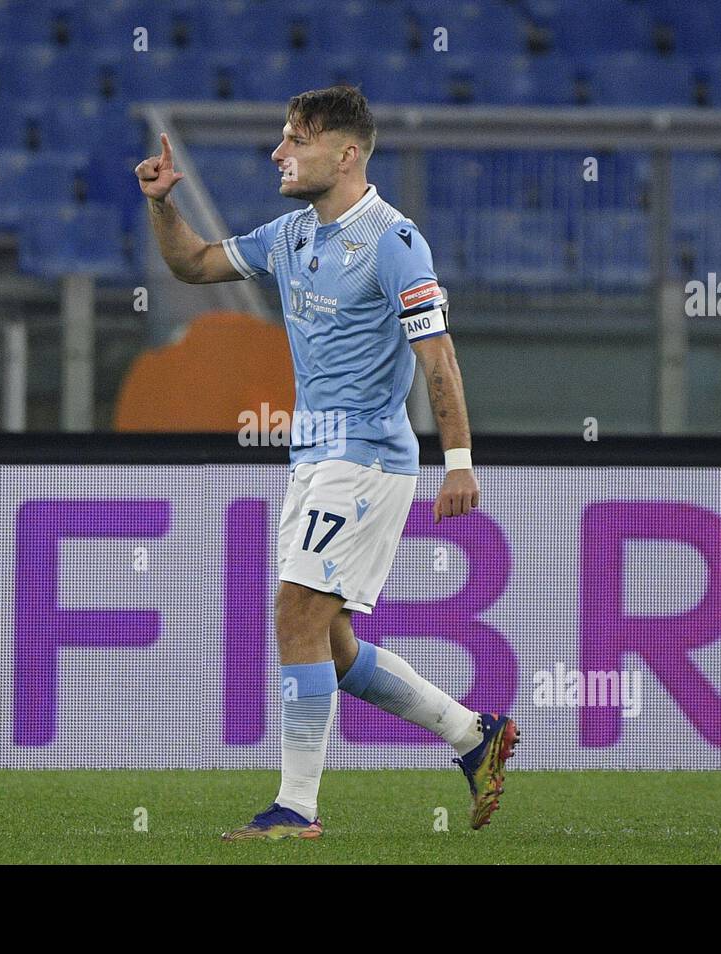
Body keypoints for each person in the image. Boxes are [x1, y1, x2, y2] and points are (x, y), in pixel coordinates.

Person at [136, 85, 518, 841]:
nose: (279, 152)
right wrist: (161, 205)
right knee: (331, 643)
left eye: (295, 140)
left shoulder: (393, 240)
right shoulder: (289, 236)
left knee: (294, 614)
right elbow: (197, 264)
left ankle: (297, 810)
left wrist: (461, 461)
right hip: (313, 459)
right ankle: (475, 735)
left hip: (367, 457)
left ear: (345, 154)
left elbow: (436, 354)